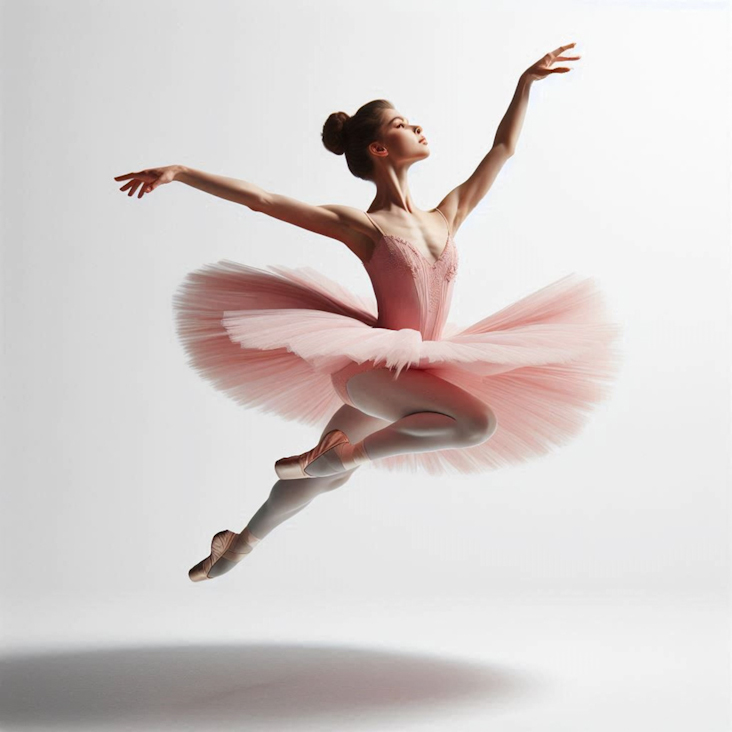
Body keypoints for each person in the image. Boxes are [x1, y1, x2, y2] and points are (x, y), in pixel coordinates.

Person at [114, 42, 622, 582]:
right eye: (404, 123)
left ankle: (237, 543)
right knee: (476, 423)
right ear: (380, 149)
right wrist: (182, 171)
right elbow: (262, 200)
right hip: (374, 369)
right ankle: (343, 456)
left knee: (316, 481)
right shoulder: (363, 225)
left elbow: (501, 148)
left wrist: (525, 82)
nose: (419, 128)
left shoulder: (447, 214)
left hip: (420, 369)